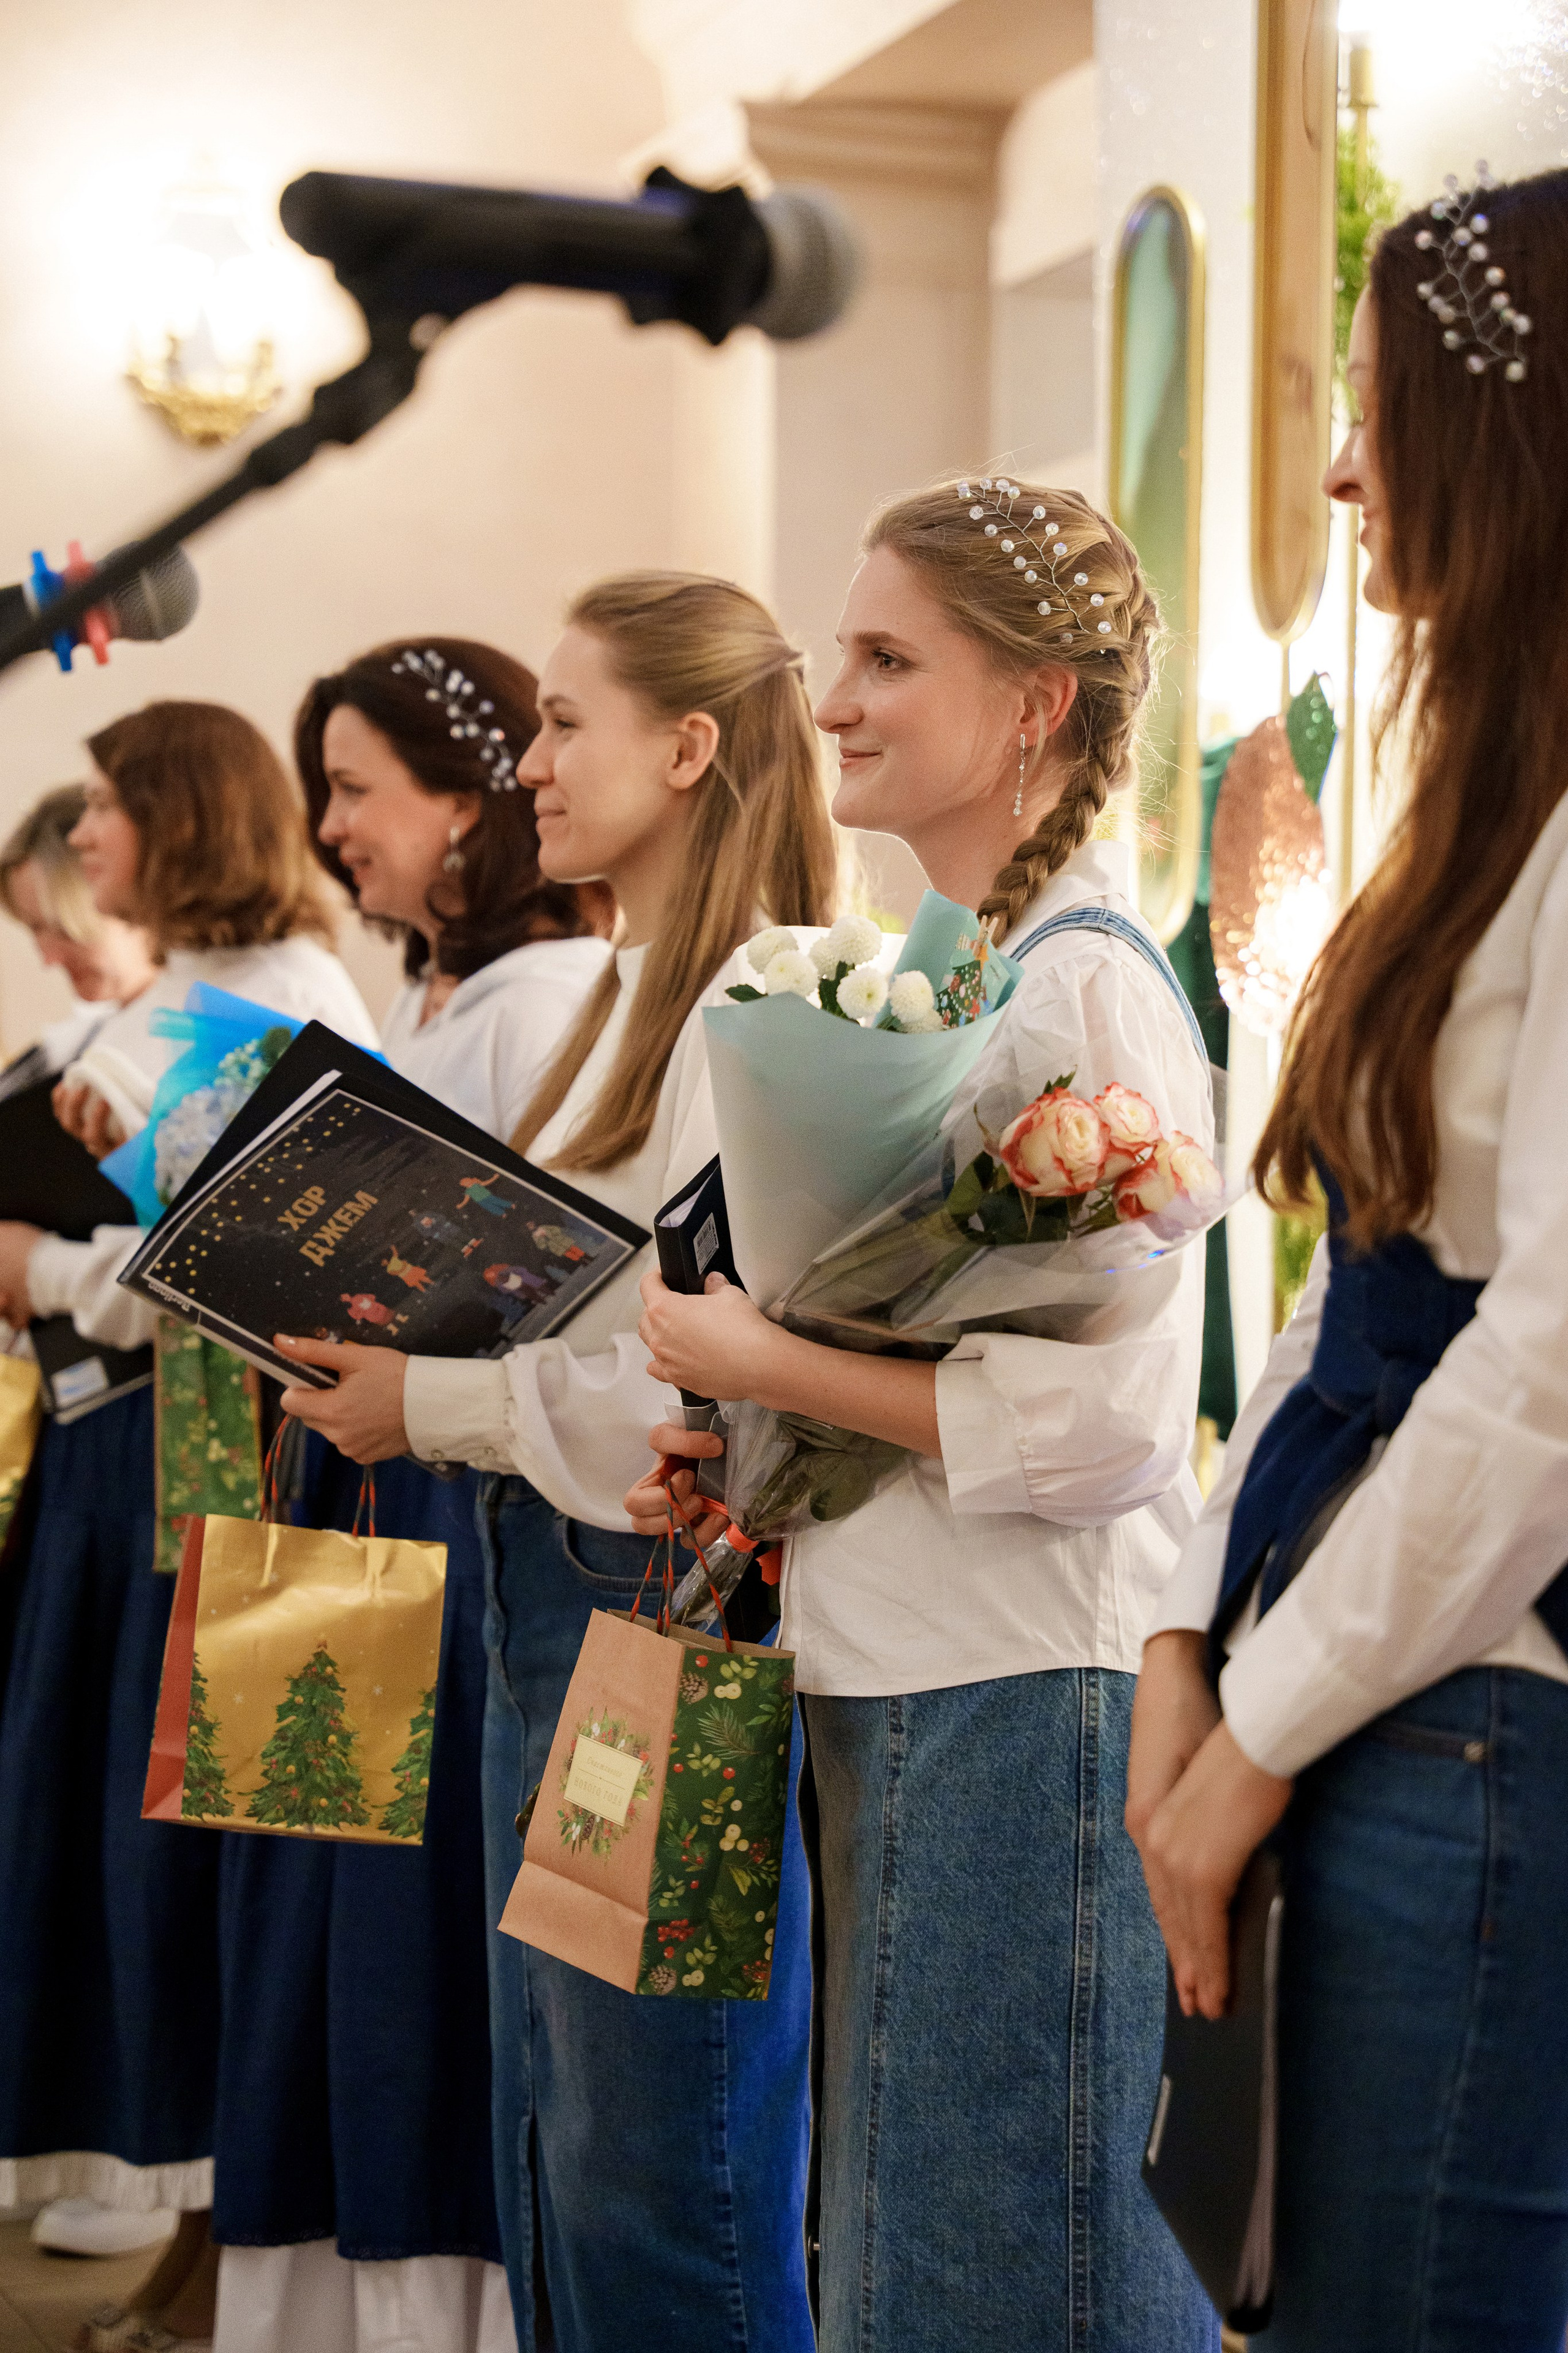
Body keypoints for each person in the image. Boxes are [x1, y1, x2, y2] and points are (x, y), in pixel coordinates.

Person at [626, 482, 1220, 2352]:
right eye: (844, 656)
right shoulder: (971, 974)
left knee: (998, 2258)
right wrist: (751, 1459)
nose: (839, 701)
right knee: (905, 2241)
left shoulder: (1088, 997)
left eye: (891, 659)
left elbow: (1116, 1423)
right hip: (909, 1669)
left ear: (1036, 706)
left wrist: (766, 1368)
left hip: (1029, 1689)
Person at [270, 573, 836, 2353]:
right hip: (554, 1581)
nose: (527, 763)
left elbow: (674, 1383)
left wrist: (424, 1406)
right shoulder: (630, 987)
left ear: (688, 747)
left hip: (651, 1589)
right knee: (559, 2115)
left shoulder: (757, 1000)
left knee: (663, 2157)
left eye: (565, 723)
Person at [1127, 166, 1568, 2352]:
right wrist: (1185, 1627)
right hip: (1370, 1668)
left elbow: (1547, 1374)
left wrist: (1256, 1737)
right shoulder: (1475, 788)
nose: (1334, 469)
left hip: (1485, 1704)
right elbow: (1344, 1273)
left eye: (1374, 410)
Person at [208, 636, 611, 2353]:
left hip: (443, 1511)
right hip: (350, 1480)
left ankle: (419, 2304)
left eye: (359, 788)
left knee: (400, 1945)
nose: (331, 824)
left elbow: (546, 1297)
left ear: (469, 805)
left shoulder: (538, 1005)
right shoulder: (446, 997)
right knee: (303, 1922)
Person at [0, 701, 378, 2349]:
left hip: (247, 1468)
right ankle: (194, 2230)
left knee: (239, 1846)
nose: (84, 838)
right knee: (133, 1855)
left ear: (181, 814)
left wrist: (46, 1271)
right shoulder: (170, 994)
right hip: (128, 1463)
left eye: (107, 805)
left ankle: (245, 2245)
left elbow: (255, 1252)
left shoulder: (280, 997)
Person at [0, 785, 167, 2269]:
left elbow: (181, 1257)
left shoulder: (217, 1019)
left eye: (61, 916)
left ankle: (148, 2153)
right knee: (63, 1773)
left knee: (135, 1779)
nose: (53, 951)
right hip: (81, 1438)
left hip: (173, 1447)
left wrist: (43, 1267)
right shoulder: (71, 1050)